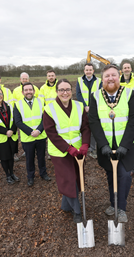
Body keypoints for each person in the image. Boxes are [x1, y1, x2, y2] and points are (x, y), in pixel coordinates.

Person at [89, 64, 134, 223]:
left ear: (119, 76)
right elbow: (94, 121)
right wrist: (102, 144)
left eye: (113, 75)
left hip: (127, 146)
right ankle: (113, 203)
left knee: (124, 175)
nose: (110, 78)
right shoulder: (95, 96)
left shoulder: (130, 94)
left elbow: (133, 121)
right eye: (106, 76)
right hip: (106, 147)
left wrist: (124, 145)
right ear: (102, 79)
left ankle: (121, 208)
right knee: (111, 175)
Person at [43, 79, 91, 223]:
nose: (65, 93)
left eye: (68, 89)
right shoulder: (49, 109)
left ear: (72, 91)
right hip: (60, 152)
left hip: (78, 150)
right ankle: (77, 211)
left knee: (76, 177)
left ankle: (66, 205)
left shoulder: (79, 106)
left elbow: (85, 127)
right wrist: (67, 148)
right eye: (61, 90)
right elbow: (51, 133)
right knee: (68, 179)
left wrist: (85, 144)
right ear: (57, 92)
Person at [14, 82, 50, 187]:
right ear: (22, 92)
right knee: (29, 159)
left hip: (41, 135)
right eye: (26, 90)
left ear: (34, 91)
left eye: (30, 90)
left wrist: (39, 130)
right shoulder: (17, 104)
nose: (28, 92)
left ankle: (43, 173)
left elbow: (45, 118)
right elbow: (18, 122)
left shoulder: (41, 102)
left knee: (41, 157)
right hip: (27, 138)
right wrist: (30, 132)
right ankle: (30, 177)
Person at [75, 63, 102, 159]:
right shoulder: (79, 80)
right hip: (83, 110)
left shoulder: (99, 81)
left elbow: (100, 94)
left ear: (93, 71)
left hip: (95, 109)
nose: (88, 71)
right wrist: (85, 106)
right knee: (84, 128)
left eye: (90, 70)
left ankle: (94, 149)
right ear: (84, 71)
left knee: (94, 128)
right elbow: (78, 94)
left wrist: (92, 106)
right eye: (87, 70)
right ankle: (85, 148)